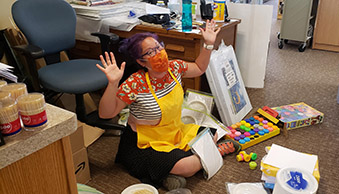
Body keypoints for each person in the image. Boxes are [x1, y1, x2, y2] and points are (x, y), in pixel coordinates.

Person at [95, 20, 238, 190]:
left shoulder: (175, 68)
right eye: (150, 52)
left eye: (158, 47)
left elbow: (199, 68)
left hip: (173, 131)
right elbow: (106, 114)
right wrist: (113, 84)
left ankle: (172, 173)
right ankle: (210, 154)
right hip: (143, 143)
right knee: (188, 166)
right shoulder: (136, 83)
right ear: (141, 62)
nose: (158, 53)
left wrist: (208, 44)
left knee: (212, 133)